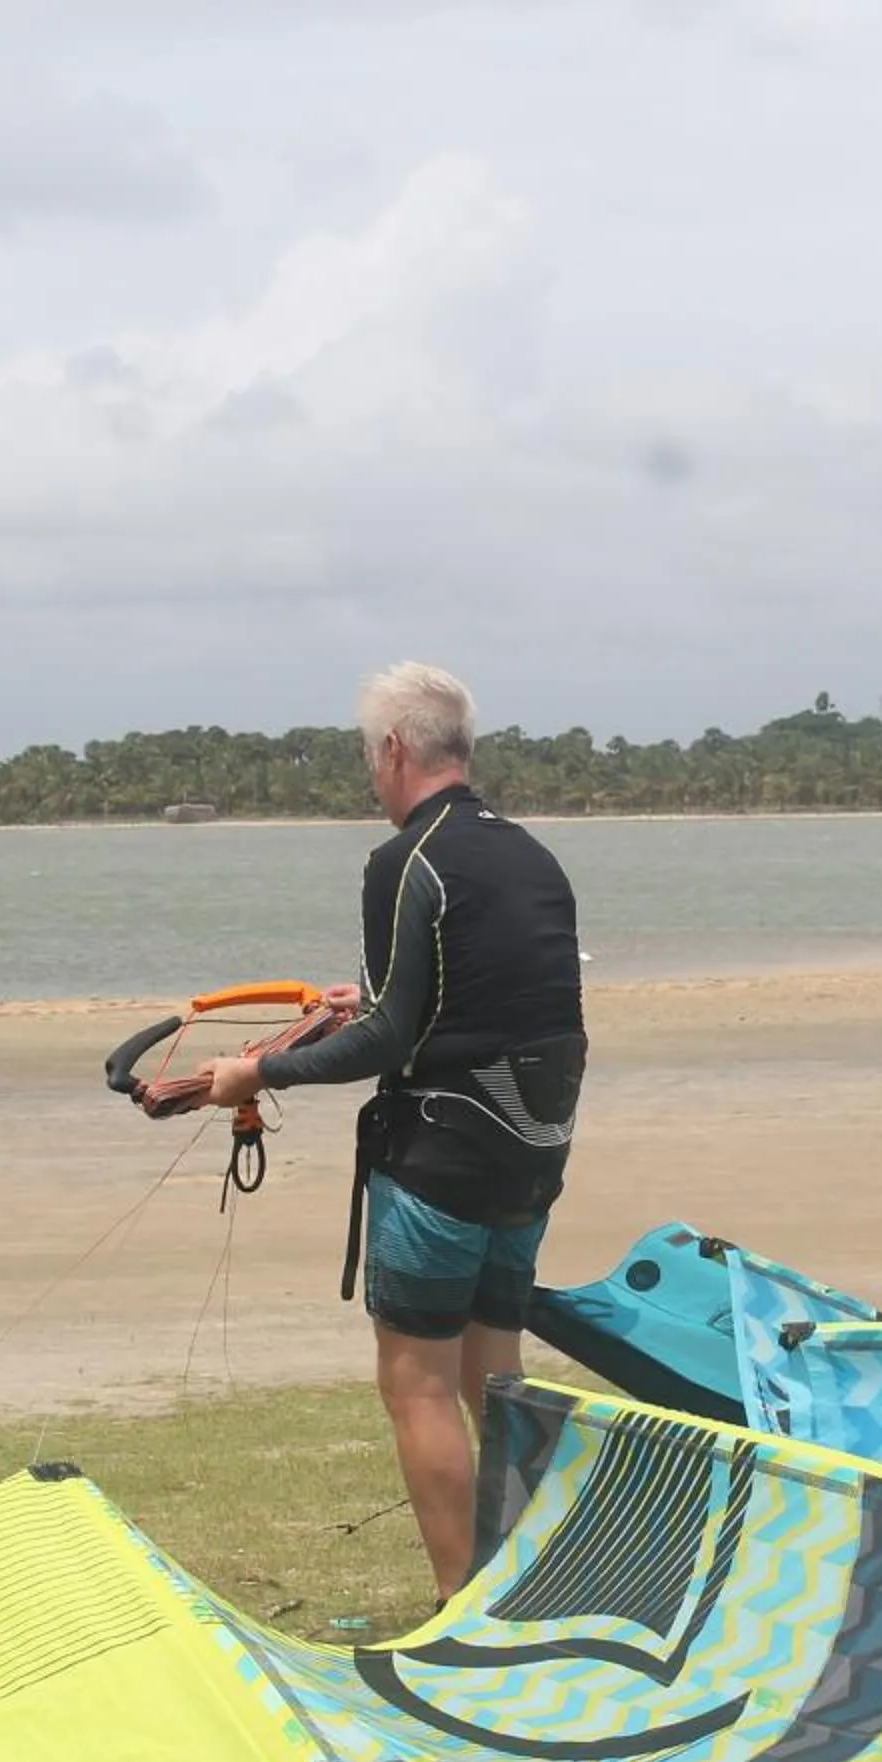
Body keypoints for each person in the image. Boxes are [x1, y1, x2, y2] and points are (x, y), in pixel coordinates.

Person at [202, 662, 588, 1602]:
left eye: (369, 760)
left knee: (416, 1382)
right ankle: (527, 1591)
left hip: (444, 1159)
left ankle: (462, 1607)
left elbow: (386, 1040)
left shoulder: (405, 862)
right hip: (535, 1152)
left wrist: (257, 1071)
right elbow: (472, 1000)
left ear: (393, 751)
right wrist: (369, 1000)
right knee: (494, 1372)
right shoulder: (531, 853)